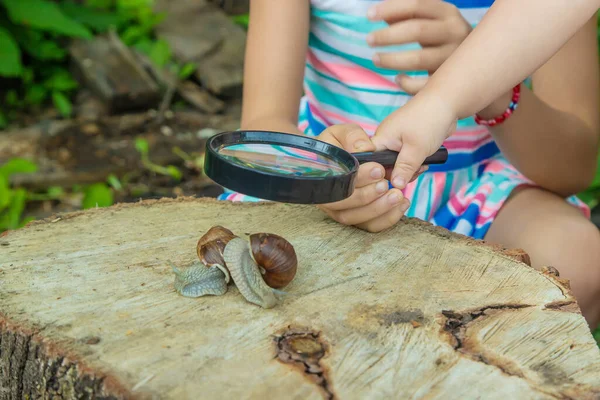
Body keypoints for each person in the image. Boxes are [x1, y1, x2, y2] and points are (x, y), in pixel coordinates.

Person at [217, 0, 600, 328]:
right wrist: (321, 175)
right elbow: (265, 124)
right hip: (316, 177)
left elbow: (572, 168)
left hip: (478, 189)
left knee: (579, 263)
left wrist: (488, 83)